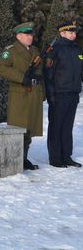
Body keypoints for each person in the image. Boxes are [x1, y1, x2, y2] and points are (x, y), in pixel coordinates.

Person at [0, 22, 44, 171]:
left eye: (31, 35)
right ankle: (15, 159)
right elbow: (0, 68)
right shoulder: (10, 51)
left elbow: (42, 74)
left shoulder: (35, 51)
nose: (31, 37)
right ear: (19, 36)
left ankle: (24, 159)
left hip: (34, 93)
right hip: (19, 94)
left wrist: (43, 94)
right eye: (28, 35)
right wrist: (22, 78)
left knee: (29, 128)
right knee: (19, 128)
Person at [44, 21, 83, 168]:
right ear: (62, 33)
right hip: (59, 94)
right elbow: (48, 74)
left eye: (74, 32)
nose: (74, 34)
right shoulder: (54, 50)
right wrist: (51, 96)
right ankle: (55, 158)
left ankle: (66, 156)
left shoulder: (77, 50)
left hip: (73, 94)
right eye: (70, 32)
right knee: (56, 126)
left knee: (67, 126)